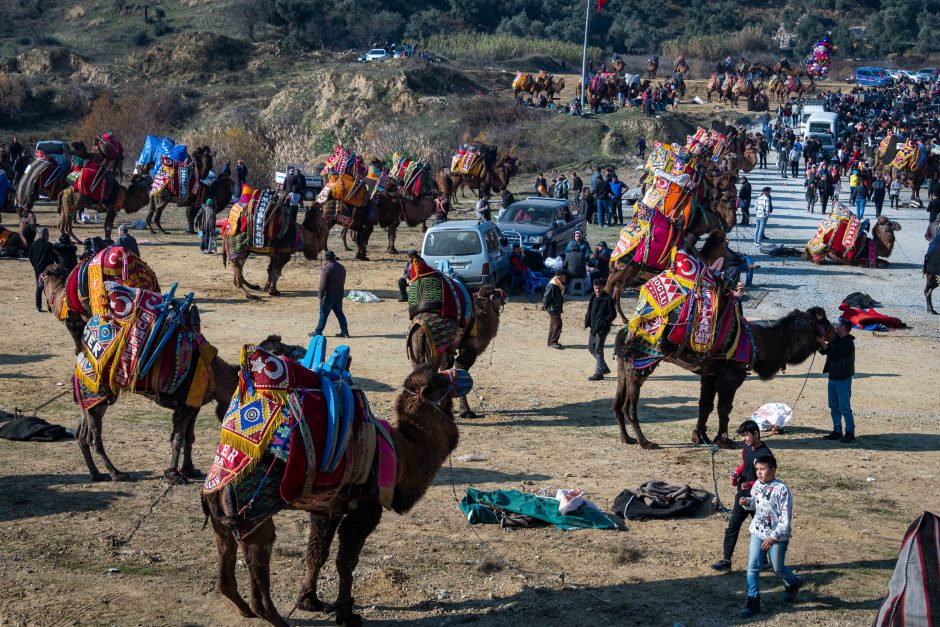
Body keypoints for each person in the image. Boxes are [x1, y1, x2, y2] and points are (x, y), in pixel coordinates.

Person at [738, 454, 801, 618]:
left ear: (773, 469)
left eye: (763, 469)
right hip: (758, 532)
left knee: (777, 568)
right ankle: (753, 600)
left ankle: (793, 582)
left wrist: (773, 537)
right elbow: (756, 505)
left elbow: (785, 520)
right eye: (757, 469)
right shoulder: (757, 485)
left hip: (777, 537)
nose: (759, 473)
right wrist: (747, 503)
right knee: (752, 566)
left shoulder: (782, 490)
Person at [712, 420, 772, 573]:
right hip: (743, 495)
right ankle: (726, 560)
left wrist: (751, 484)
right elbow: (744, 465)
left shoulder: (765, 454)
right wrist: (737, 473)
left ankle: (764, 560)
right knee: (733, 526)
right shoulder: (746, 448)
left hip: (759, 498)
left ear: (756, 434)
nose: (744, 439)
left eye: (746, 435)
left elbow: (767, 479)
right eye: (743, 436)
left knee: (761, 529)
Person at [821, 319, 856, 443]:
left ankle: (850, 432)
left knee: (844, 407)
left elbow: (835, 354)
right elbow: (824, 351)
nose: (836, 327)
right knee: (834, 406)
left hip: (843, 379)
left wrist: (824, 344)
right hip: (833, 378)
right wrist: (820, 343)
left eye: (839, 325)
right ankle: (837, 431)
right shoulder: (836, 340)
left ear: (845, 328)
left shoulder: (848, 343)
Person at [311, 250, 349, 338]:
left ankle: (318, 332)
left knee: (324, 313)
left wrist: (320, 295)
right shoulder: (341, 267)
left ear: (326, 258)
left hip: (328, 295)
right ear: (334, 256)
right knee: (340, 313)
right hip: (339, 294)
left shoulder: (326, 268)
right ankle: (345, 332)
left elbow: (323, 284)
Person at [584, 278, 616, 380]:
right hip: (593, 327)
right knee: (591, 347)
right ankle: (603, 367)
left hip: (602, 329)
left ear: (603, 288)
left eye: (600, 288)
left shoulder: (608, 299)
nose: (598, 290)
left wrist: (603, 322)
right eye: (596, 288)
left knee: (598, 349)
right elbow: (590, 310)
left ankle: (599, 373)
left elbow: (613, 314)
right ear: (593, 288)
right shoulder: (593, 296)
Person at [29, 227, 56, 312]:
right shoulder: (49, 245)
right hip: (47, 269)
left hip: (37, 269)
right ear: (45, 235)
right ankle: (49, 307)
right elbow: (52, 257)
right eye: (48, 234)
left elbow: (31, 257)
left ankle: (38, 306)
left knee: (39, 287)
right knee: (48, 287)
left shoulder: (33, 244)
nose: (48, 236)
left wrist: (35, 266)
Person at [541, 269, 566, 349]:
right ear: (560, 276)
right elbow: (547, 296)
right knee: (558, 324)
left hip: (555, 308)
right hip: (553, 308)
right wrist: (544, 305)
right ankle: (553, 342)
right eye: (564, 276)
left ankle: (550, 341)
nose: (565, 277)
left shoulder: (557, 284)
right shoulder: (552, 285)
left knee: (553, 325)